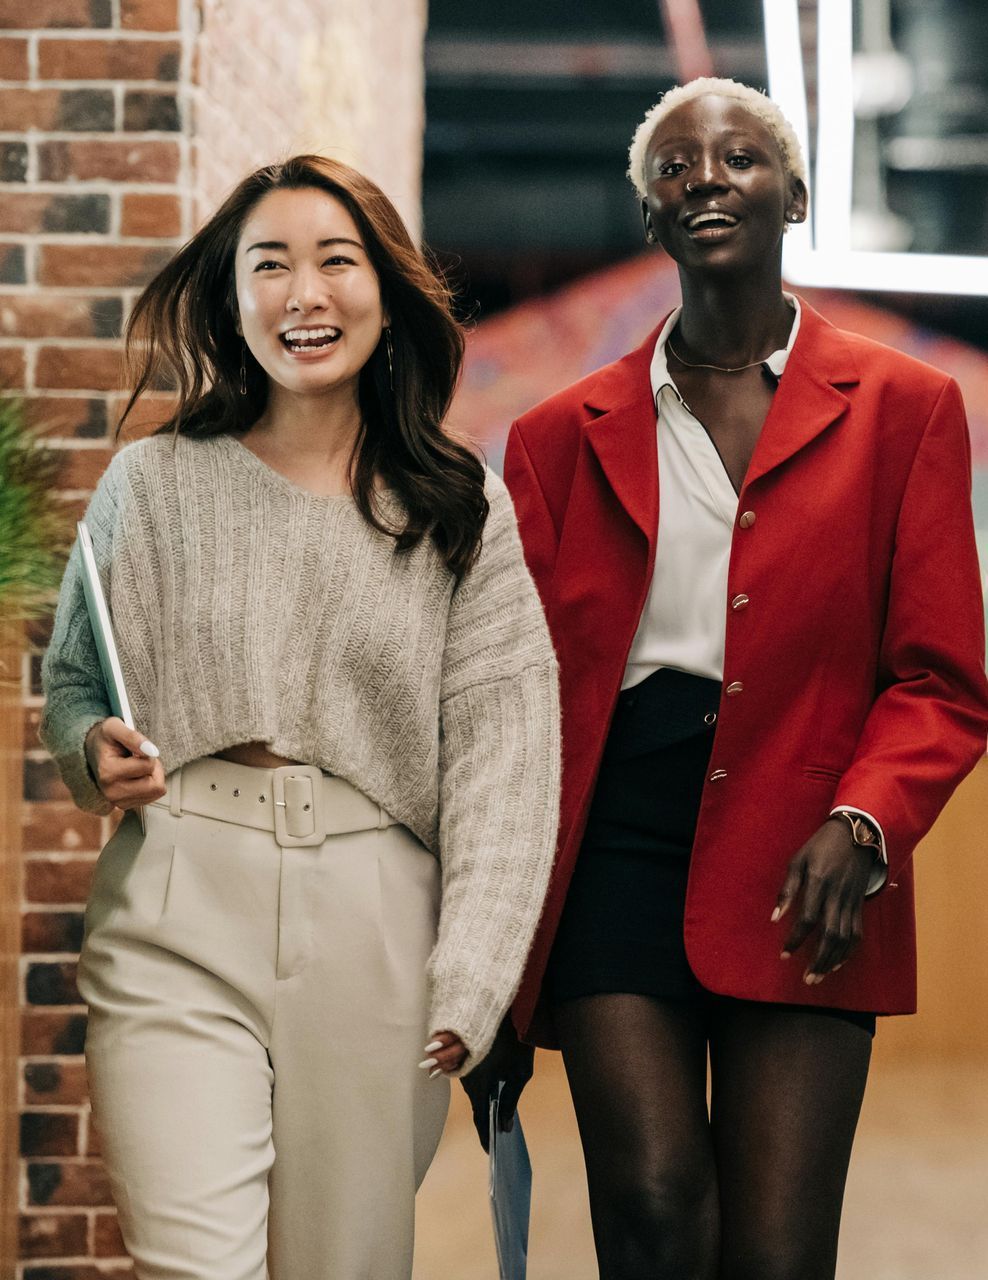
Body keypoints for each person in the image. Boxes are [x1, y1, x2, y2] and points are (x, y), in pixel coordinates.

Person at [470, 78, 988, 1280]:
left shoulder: (905, 409)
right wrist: (491, 943)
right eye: (676, 165)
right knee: (650, 1209)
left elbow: (942, 675)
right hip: (613, 845)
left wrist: (866, 820)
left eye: (741, 157)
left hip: (813, 850)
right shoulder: (556, 434)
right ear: (650, 212)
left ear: (794, 195)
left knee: (776, 1250)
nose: (707, 177)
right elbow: (510, 697)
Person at [41, 155, 560, 1280]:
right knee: (193, 1263)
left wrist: (474, 969)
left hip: (379, 926)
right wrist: (95, 749)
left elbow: (505, 759)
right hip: (176, 893)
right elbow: (77, 679)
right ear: (232, 299)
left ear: (386, 286)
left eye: (335, 260)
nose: (301, 293)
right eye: (266, 265)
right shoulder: (152, 482)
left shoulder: (458, 509)